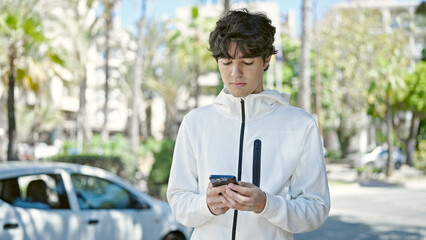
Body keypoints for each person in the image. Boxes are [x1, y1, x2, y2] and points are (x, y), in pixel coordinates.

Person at [167, 8, 330, 240]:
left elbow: (316, 209)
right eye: (226, 62)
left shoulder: (300, 125)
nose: (236, 73)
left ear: (266, 60)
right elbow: (178, 202)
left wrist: (266, 204)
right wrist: (206, 205)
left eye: (247, 61)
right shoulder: (196, 123)